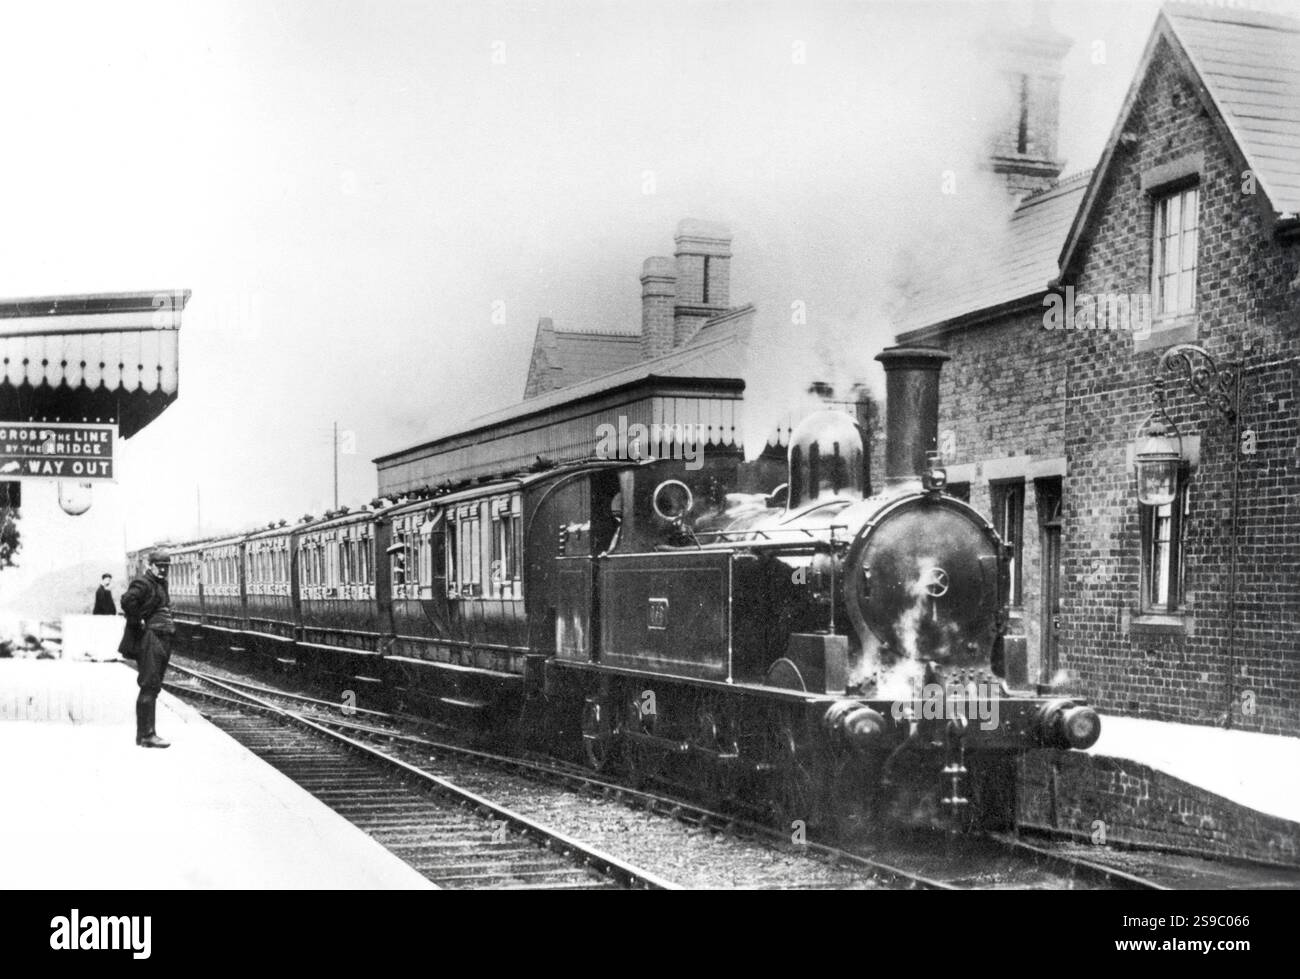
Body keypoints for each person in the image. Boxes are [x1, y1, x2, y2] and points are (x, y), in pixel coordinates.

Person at [118, 549, 175, 748]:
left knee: (154, 686)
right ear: (150, 566)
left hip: (162, 638)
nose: (162, 571)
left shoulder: (161, 583)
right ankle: (147, 735)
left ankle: (145, 735)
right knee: (149, 685)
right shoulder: (143, 583)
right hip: (150, 638)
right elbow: (127, 600)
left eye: (166, 568)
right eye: (159, 567)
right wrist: (138, 621)